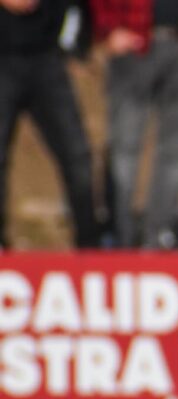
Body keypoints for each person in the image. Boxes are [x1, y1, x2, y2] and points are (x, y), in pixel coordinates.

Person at [90, 0, 178, 248]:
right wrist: (108, 29)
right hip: (136, 42)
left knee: (176, 152)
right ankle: (117, 234)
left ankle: (161, 233)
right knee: (124, 149)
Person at [0, 0, 101, 248]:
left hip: (46, 57)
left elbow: (76, 7)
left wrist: (74, 47)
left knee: (77, 155)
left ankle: (89, 245)